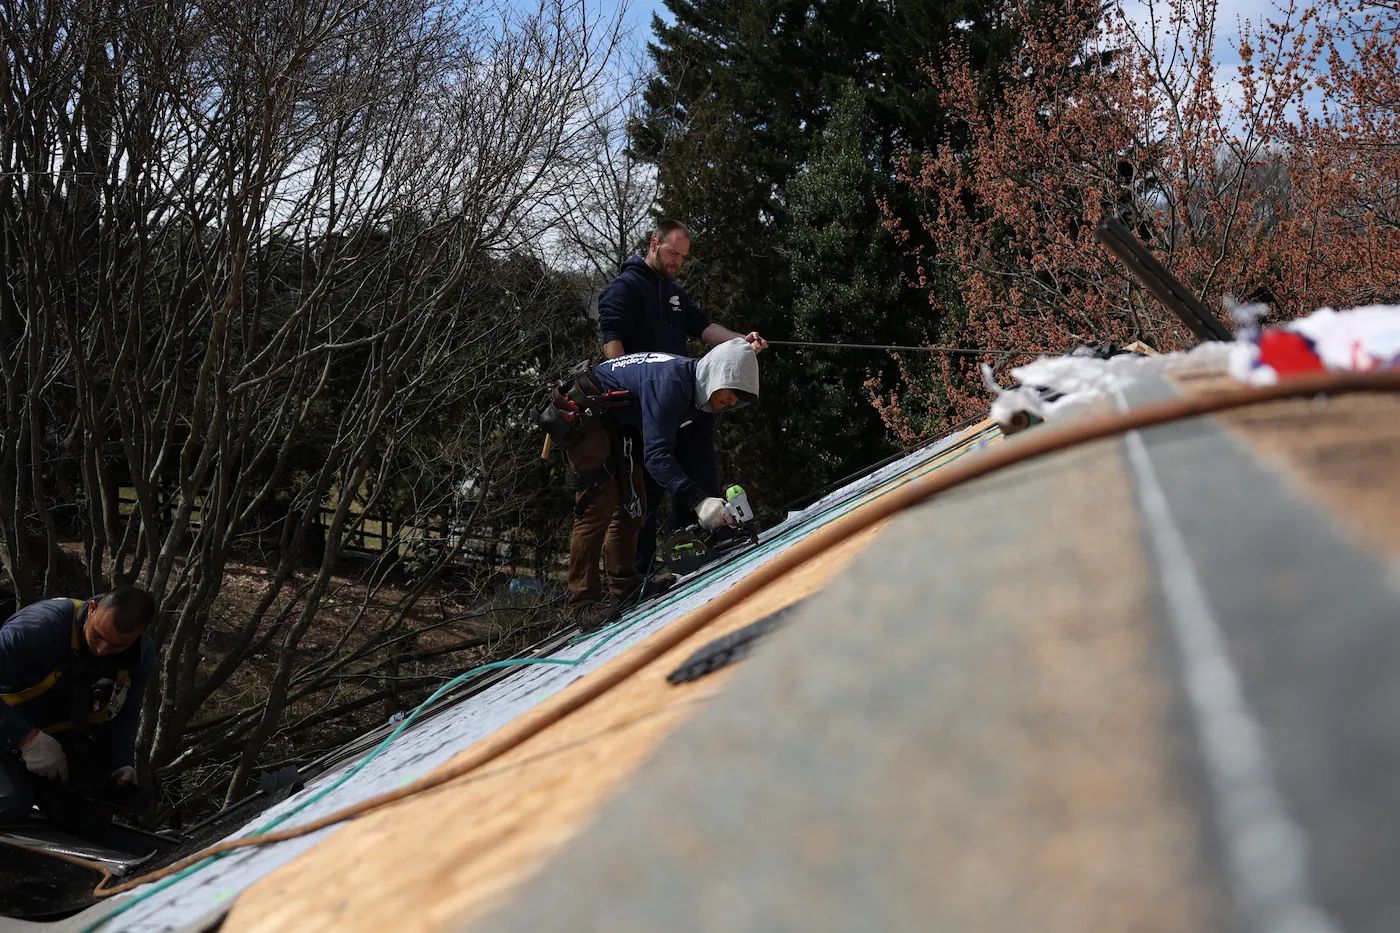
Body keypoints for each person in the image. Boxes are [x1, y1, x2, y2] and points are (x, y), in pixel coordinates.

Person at [597, 219, 768, 579]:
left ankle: (699, 538)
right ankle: (639, 572)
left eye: (683, 257)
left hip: (689, 394)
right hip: (648, 401)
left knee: (702, 465)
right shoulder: (624, 288)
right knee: (650, 487)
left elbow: (705, 329)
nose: (677, 262)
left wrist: (742, 342)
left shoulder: (676, 293)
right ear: (654, 244)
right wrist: (626, 399)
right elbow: (613, 347)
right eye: (673, 253)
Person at [565, 338, 760, 630]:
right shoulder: (672, 384)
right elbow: (657, 457)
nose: (731, 403)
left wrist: (709, 499)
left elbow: (698, 456)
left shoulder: (700, 397)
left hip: (616, 420)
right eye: (732, 393)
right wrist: (698, 501)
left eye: (738, 401)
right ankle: (583, 605)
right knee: (597, 506)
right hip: (586, 411)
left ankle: (625, 587)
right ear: (718, 375)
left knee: (634, 501)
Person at [0, 587, 156, 833]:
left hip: (53, 738)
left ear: (140, 633)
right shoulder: (37, 628)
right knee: (10, 802)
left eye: (117, 645)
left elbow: (125, 714)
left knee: (91, 811)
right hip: (10, 727)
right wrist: (25, 738)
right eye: (97, 635)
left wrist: (122, 763)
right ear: (92, 608)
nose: (102, 650)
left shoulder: (140, 656)